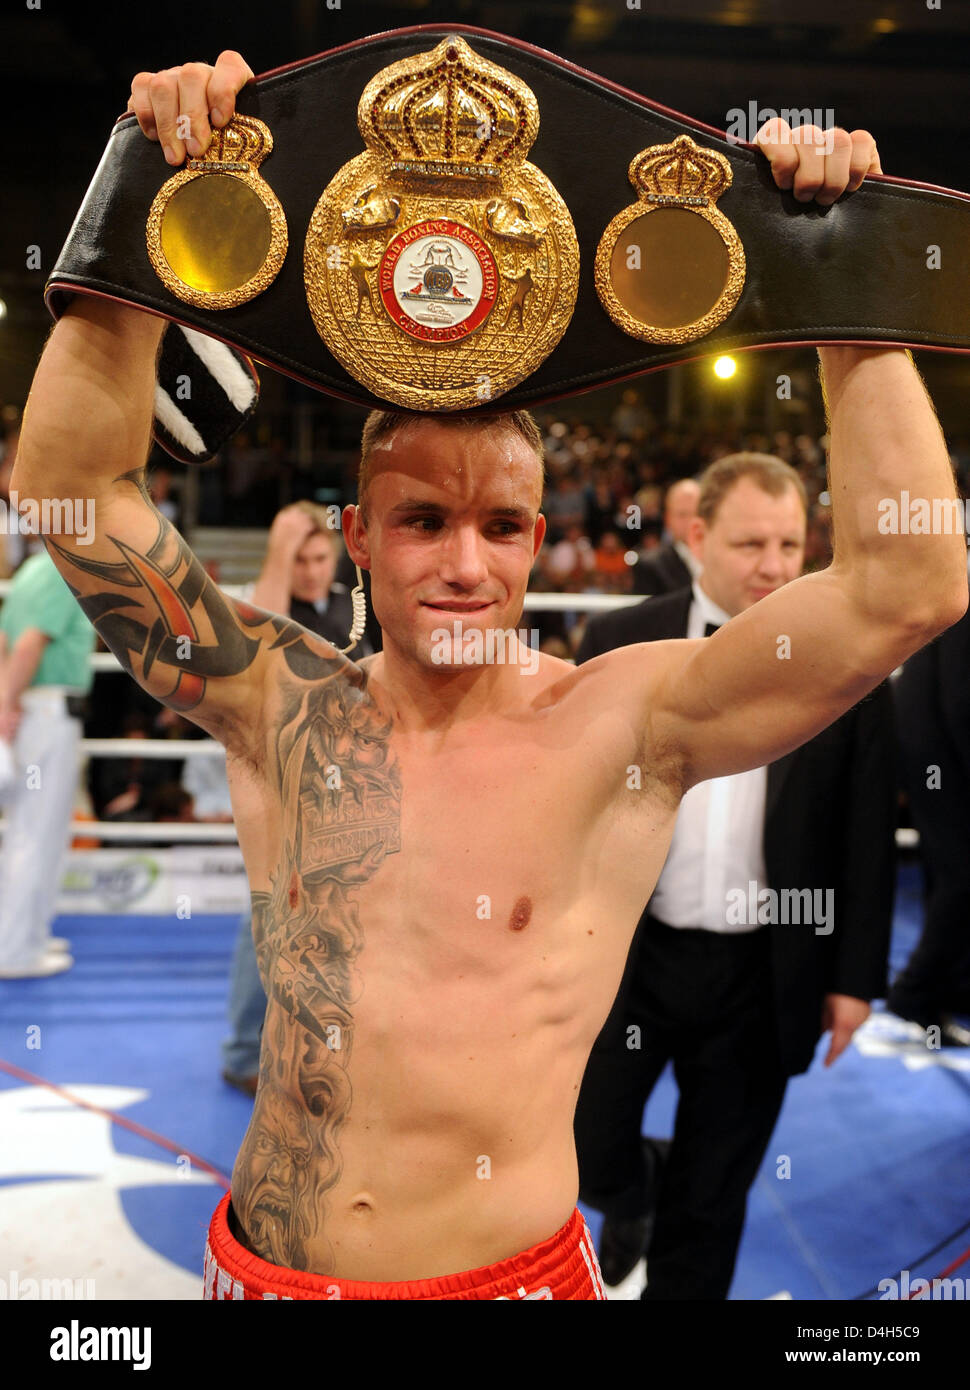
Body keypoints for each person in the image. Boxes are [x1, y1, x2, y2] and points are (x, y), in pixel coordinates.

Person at [13, 51, 966, 1300]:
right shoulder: (275, 700)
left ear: (535, 533)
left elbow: (911, 586)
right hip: (263, 1271)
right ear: (357, 537)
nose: (467, 565)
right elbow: (73, 496)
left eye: (502, 528)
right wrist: (146, 203)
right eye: (422, 523)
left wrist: (848, 275)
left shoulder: (626, 722)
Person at [573, 453, 896, 1298]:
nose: (776, 565)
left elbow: (866, 834)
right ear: (696, 536)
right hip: (629, 958)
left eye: (792, 543)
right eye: (753, 542)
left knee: (713, 1202)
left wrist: (856, 980)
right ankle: (632, 1188)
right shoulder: (617, 640)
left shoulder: (846, 666)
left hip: (765, 973)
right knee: (585, 1148)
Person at [221, 502, 372, 1098]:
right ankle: (239, 1051)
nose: (310, 569)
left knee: (342, 915)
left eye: (318, 556)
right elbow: (255, 651)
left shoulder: (353, 604)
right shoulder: (272, 601)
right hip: (285, 775)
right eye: (299, 559)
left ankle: (323, 1044)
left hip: (349, 780)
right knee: (265, 908)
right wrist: (279, 551)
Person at [0, 546, 95, 977]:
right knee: (34, 833)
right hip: (44, 711)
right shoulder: (59, 571)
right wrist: (6, 704)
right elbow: (26, 644)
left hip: (39, 710)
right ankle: (16, 949)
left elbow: (6, 642)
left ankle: (28, 935)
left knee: (37, 832)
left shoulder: (31, 572)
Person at [632, 478, 701, 595]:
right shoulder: (651, 564)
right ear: (668, 519)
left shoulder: (724, 557)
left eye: (697, 513)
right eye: (682, 515)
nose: (691, 521)